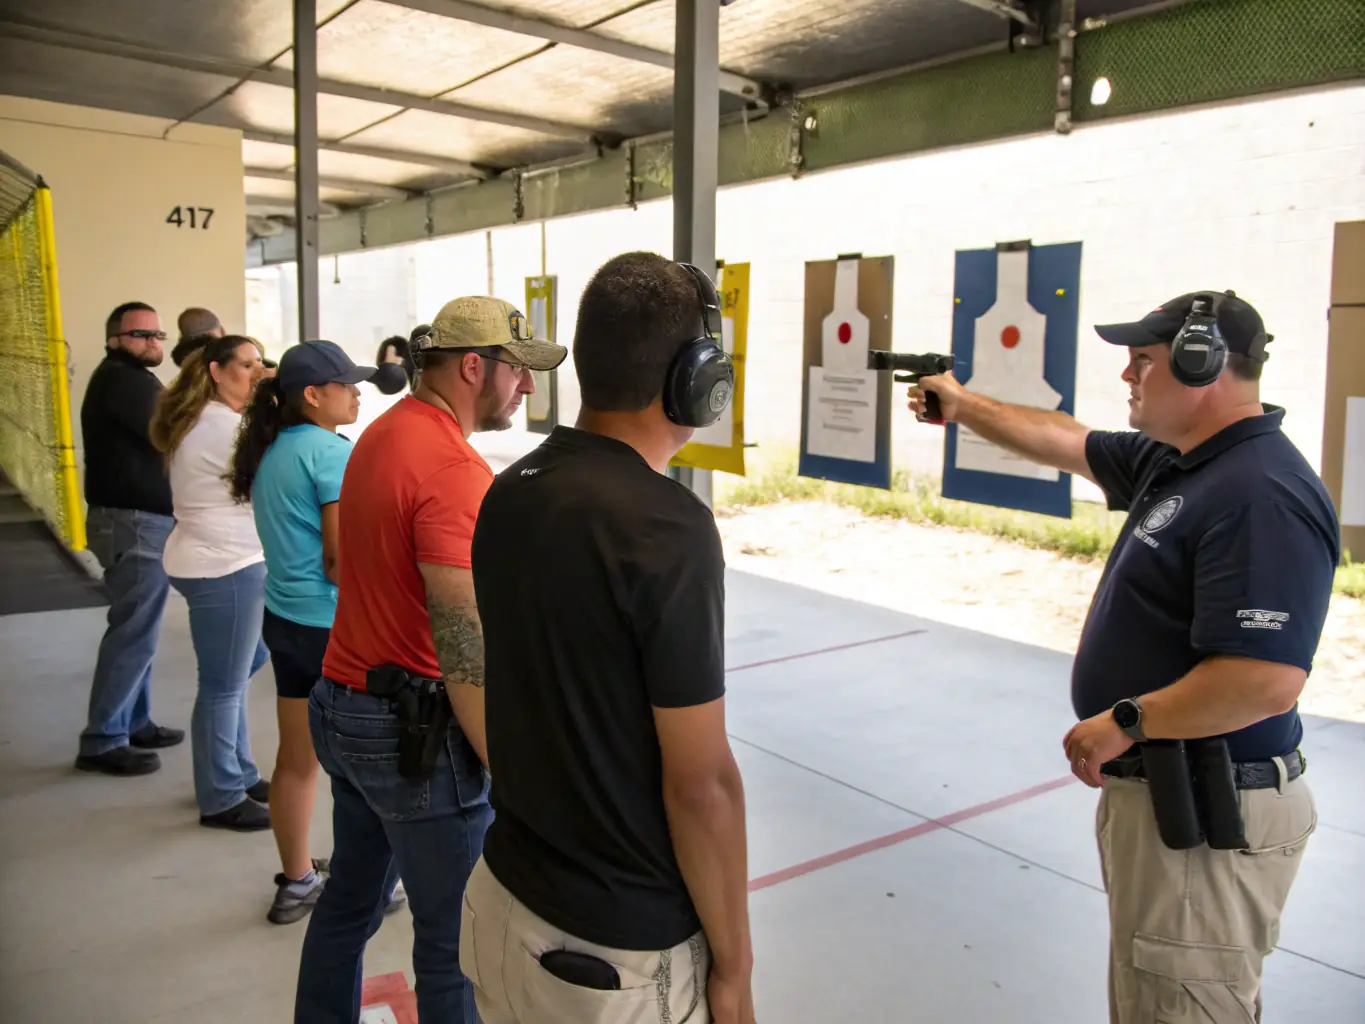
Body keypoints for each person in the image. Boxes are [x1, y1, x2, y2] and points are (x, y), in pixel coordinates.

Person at [907, 290, 1336, 1024]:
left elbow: (1263, 679)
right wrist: (960, 405)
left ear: (1203, 363)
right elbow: (1064, 440)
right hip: (1173, 801)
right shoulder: (1180, 463)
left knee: (1181, 1005)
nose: (1127, 375)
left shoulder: (1257, 493)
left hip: (1206, 810)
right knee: (1152, 1001)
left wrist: (1129, 720)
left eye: (1143, 360)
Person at [464, 252, 755, 1024]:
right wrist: (734, 968)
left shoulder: (509, 492)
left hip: (505, 901)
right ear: (695, 377)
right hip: (611, 956)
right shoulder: (666, 528)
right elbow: (701, 784)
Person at [294, 297, 564, 1023]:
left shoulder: (383, 434)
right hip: (410, 737)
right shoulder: (452, 468)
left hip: (344, 705)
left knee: (349, 906)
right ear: (474, 366)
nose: (528, 388)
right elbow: (464, 650)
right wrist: (510, 771)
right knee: (455, 946)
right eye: (519, 372)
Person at [228, 340, 377, 923]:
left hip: (287, 622)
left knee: (296, 760)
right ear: (314, 395)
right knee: (364, 764)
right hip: (334, 630)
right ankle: (371, 880)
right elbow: (342, 562)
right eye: (346, 384)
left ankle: (297, 881)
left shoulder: (274, 450)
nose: (358, 392)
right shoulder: (331, 455)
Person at [149, 334, 273, 831]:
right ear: (217, 372)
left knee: (239, 670)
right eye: (247, 365)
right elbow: (277, 469)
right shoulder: (221, 426)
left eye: (260, 362)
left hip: (216, 559)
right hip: (225, 566)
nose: (258, 371)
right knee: (223, 685)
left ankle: (236, 772)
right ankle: (221, 796)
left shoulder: (211, 418)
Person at [76, 302, 181, 776]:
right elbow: (172, 432)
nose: (153, 342)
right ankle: (103, 739)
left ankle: (132, 721)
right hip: (133, 522)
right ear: (114, 338)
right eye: (141, 334)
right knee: (133, 630)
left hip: (136, 520)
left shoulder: (130, 378)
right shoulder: (124, 380)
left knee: (140, 627)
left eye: (158, 334)